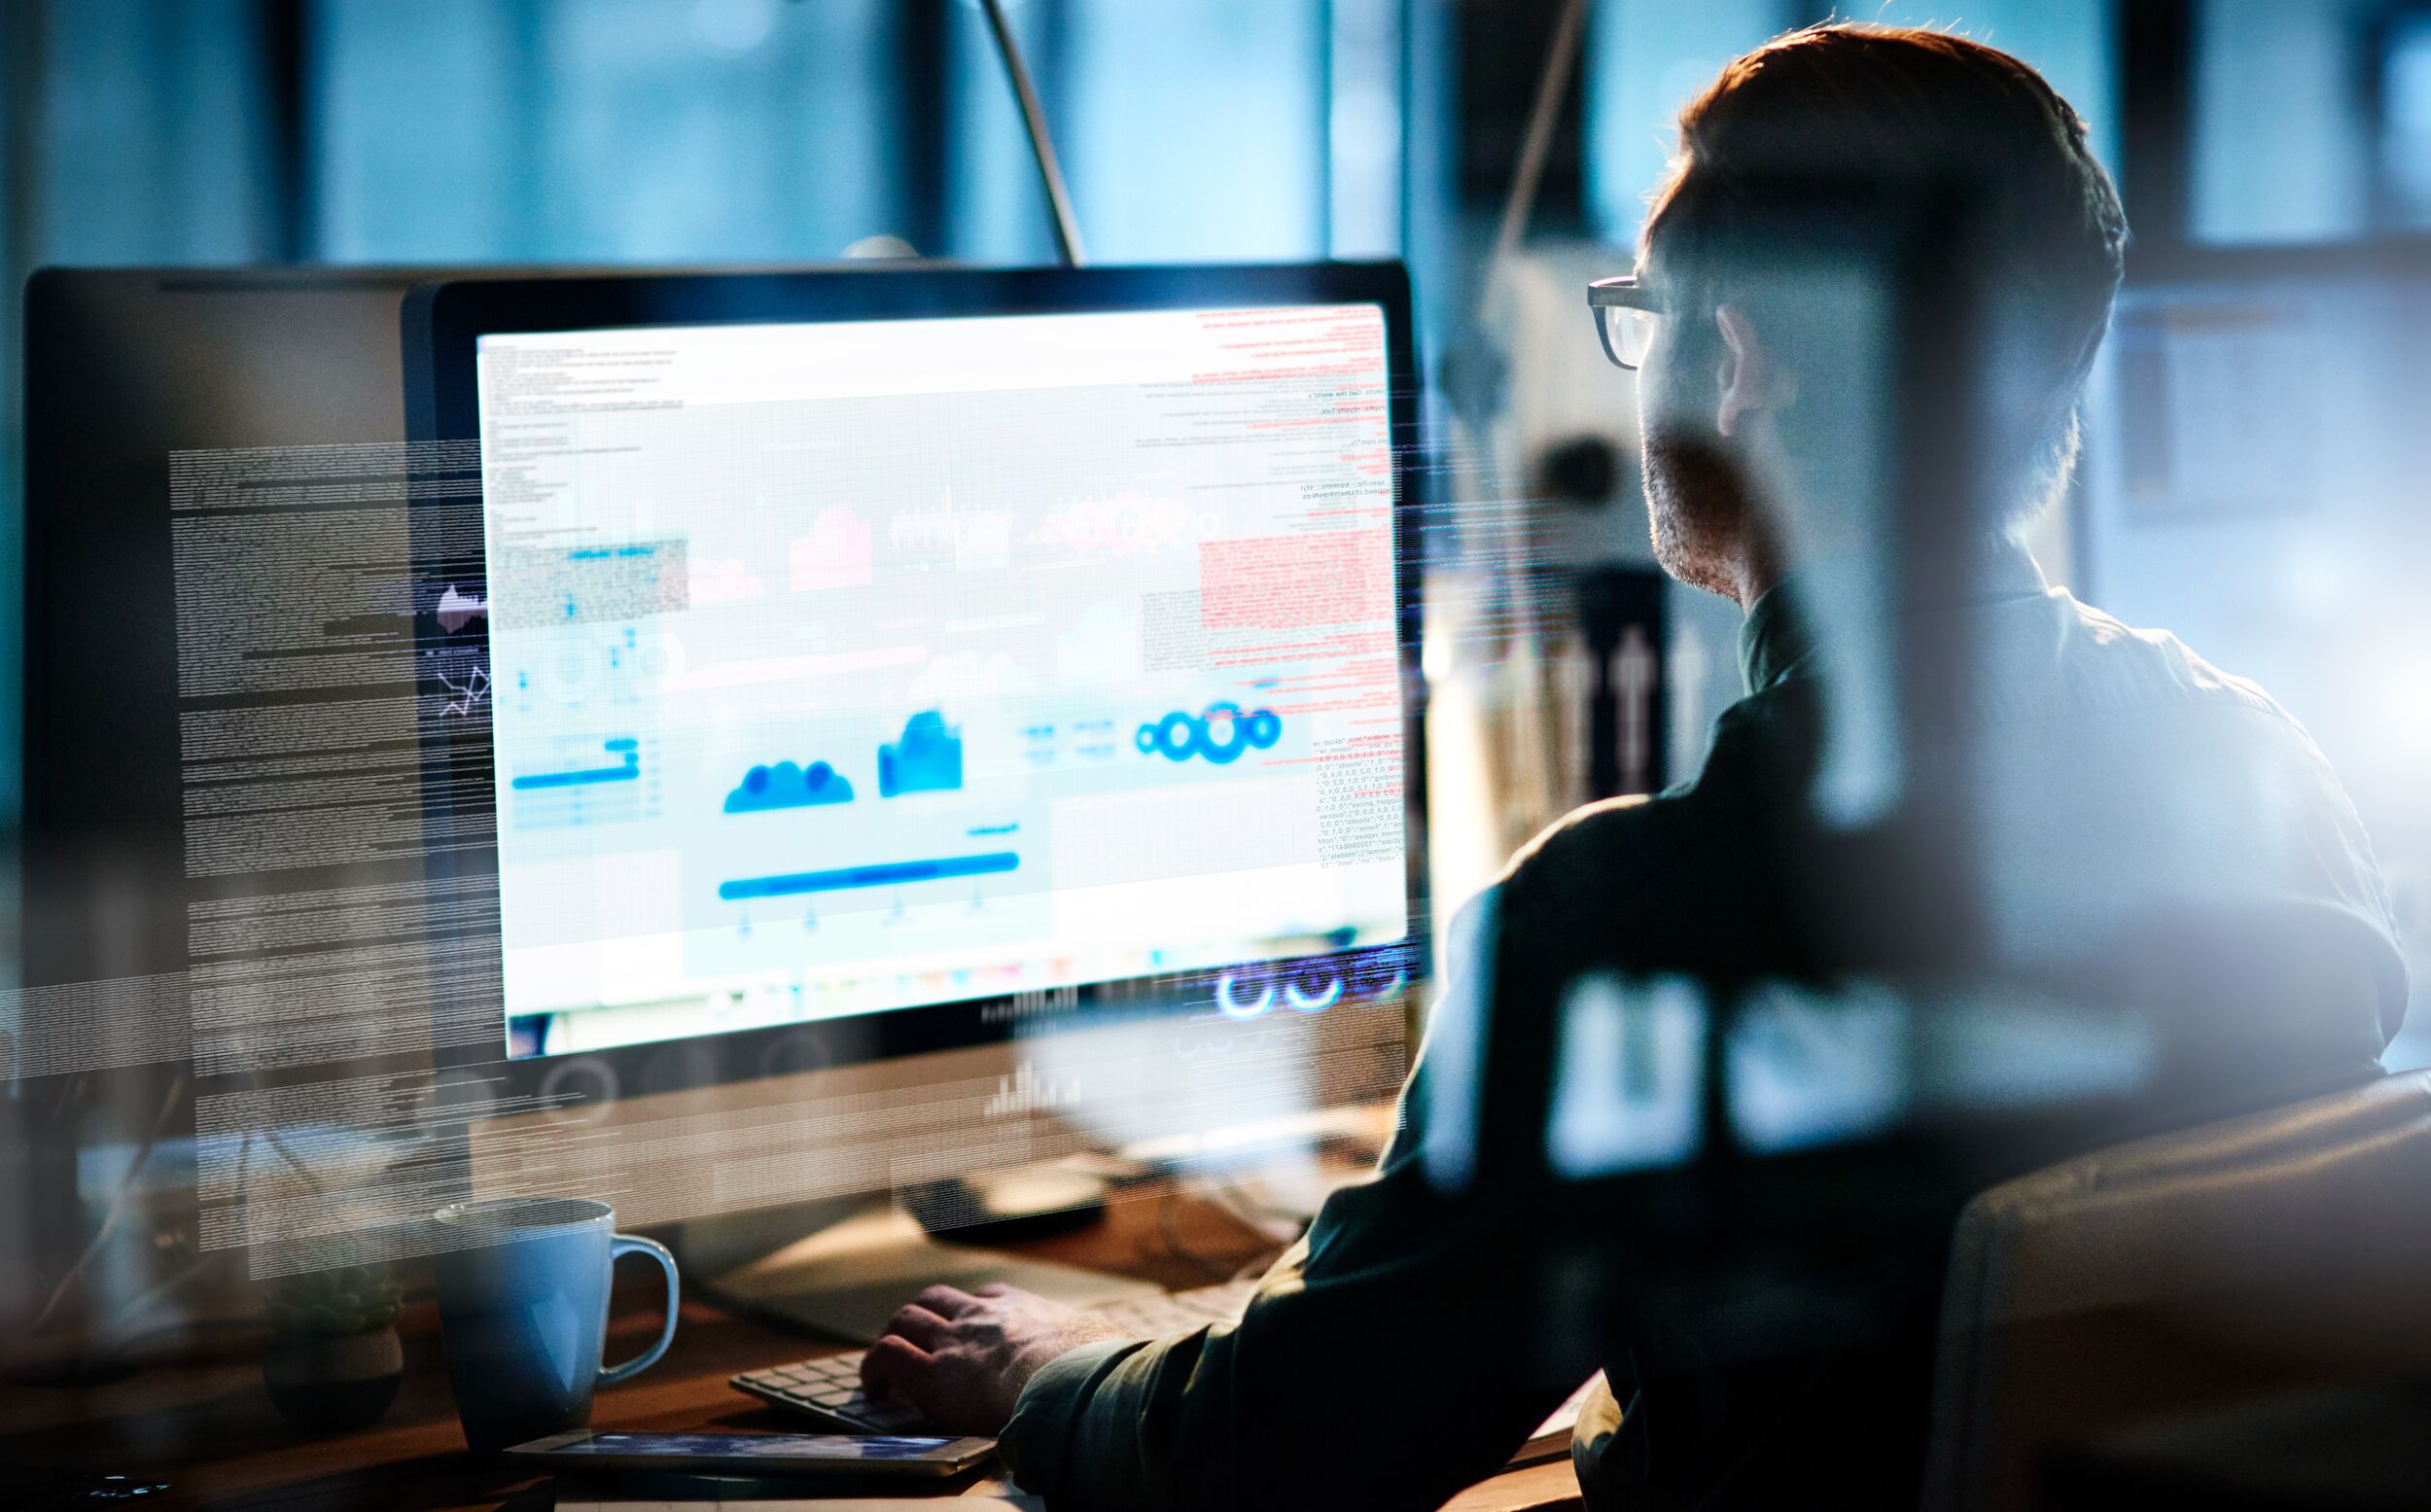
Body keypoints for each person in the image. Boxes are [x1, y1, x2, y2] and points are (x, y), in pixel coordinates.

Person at [857, 24, 2408, 1510]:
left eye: (1647, 315)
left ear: (1736, 359)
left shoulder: (1619, 925)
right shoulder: (2257, 763)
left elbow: (1278, 1462)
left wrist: (1061, 1375)